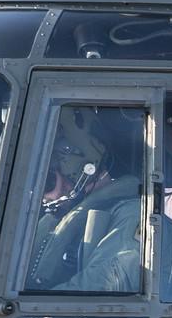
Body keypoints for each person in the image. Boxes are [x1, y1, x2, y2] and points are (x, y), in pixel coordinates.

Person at [26, 107, 147, 293]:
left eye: (48, 183)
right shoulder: (67, 214)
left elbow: (100, 290)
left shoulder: (130, 216)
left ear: (82, 168)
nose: (46, 196)